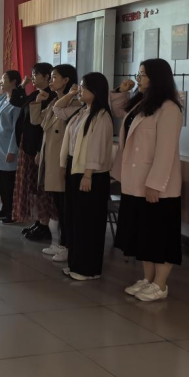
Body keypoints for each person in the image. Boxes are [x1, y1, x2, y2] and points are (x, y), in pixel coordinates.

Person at [111, 59, 184, 302]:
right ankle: (148, 278)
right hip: (135, 182)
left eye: (142, 74)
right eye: (138, 73)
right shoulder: (142, 103)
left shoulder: (169, 109)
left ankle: (160, 284)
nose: (138, 78)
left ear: (157, 78)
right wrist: (121, 90)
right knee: (142, 234)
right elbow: (119, 109)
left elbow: (166, 151)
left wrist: (155, 183)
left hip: (157, 186)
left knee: (160, 235)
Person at [56, 73, 113, 280]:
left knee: (88, 221)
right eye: (80, 86)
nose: (80, 90)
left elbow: (97, 149)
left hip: (91, 174)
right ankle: (76, 264)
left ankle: (88, 269)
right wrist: (71, 94)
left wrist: (88, 175)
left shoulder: (102, 116)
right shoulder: (81, 111)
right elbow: (57, 109)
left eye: (83, 87)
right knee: (74, 219)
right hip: (76, 168)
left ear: (95, 91)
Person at [28, 64, 78, 250]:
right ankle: (63, 244)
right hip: (51, 159)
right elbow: (37, 121)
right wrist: (38, 101)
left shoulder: (73, 104)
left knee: (65, 206)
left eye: (54, 77)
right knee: (58, 203)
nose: (51, 80)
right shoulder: (53, 102)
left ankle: (66, 245)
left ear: (66, 80)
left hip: (62, 162)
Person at [9, 64, 56, 231]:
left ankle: (44, 225)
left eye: (35, 75)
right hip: (27, 146)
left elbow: (44, 128)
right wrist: (23, 85)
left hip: (37, 148)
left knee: (40, 187)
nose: (33, 78)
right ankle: (38, 221)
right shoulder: (37, 94)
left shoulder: (51, 97)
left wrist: (39, 150)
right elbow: (16, 101)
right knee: (31, 188)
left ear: (47, 77)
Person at [0, 71, 23, 223]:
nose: (1, 80)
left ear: (13, 82)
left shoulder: (17, 103)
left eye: (3, 79)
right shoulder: (2, 98)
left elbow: (16, 130)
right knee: (1, 180)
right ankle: (5, 208)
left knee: (9, 183)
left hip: (8, 148)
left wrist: (12, 150)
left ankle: (12, 212)